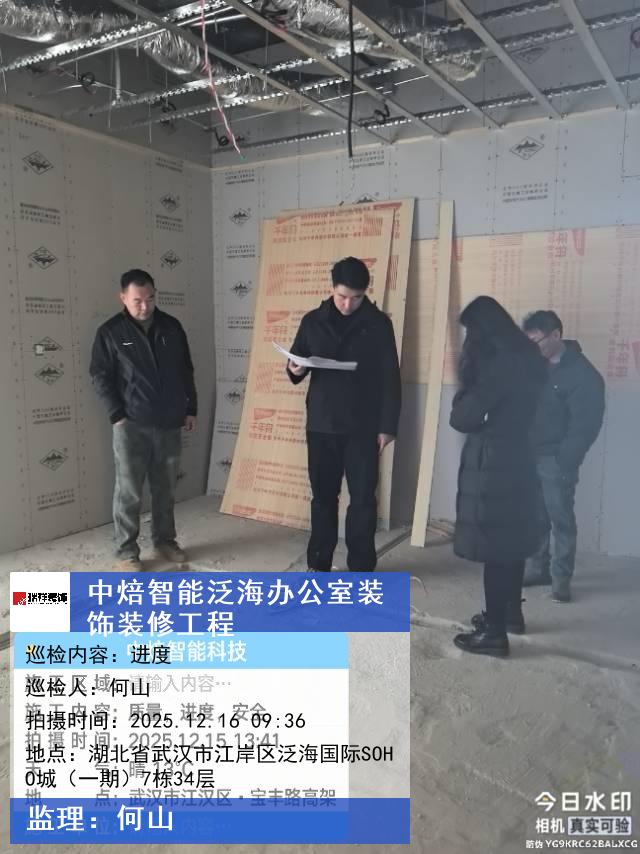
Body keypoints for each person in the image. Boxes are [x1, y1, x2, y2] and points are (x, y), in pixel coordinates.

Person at [286, 256, 401, 573]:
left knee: (362, 500)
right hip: (322, 423)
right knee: (323, 497)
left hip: (363, 426)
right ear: (332, 289)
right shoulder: (313, 321)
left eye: (356, 298)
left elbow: (390, 377)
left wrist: (387, 426)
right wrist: (295, 368)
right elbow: (296, 362)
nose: (348, 304)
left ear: (365, 293)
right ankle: (318, 563)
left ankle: (361, 567)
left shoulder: (379, 325)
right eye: (342, 297)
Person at [450, 296, 547, 658]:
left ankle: (493, 633)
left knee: (495, 549)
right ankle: (510, 614)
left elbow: (462, 418)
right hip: (522, 458)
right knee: (512, 542)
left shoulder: (496, 366)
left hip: (493, 464)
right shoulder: (529, 359)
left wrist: (466, 391)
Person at [90, 269, 197, 570]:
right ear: (123, 298)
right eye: (137, 300)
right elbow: (99, 375)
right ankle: (126, 552)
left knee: (166, 488)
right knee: (129, 491)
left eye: (150, 298)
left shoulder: (171, 327)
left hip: (169, 422)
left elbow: (185, 369)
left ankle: (165, 541)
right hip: (131, 425)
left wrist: (190, 408)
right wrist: (116, 414)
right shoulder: (111, 332)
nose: (145, 306)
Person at [522, 310, 605, 602]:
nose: (532, 349)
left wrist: (564, 461)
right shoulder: (535, 365)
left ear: (556, 335)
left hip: (556, 459)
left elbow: (585, 427)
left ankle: (561, 580)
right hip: (530, 454)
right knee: (534, 516)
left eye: (537, 342)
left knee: (561, 520)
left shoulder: (583, 375)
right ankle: (537, 569)